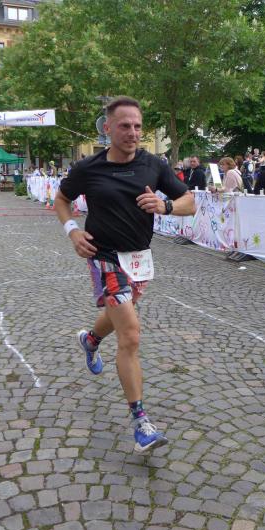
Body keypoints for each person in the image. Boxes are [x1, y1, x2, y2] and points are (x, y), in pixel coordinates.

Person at [54, 96, 196, 453]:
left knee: (120, 313)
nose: (133, 133)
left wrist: (165, 205)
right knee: (130, 334)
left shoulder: (154, 165)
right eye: (124, 126)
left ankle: (90, 340)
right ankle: (141, 423)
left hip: (139, 260)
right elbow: (61, 200)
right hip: (103, 257)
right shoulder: (88, 168)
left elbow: (190, 202)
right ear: (107, 128)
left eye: (137, 126)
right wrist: (72, 231)